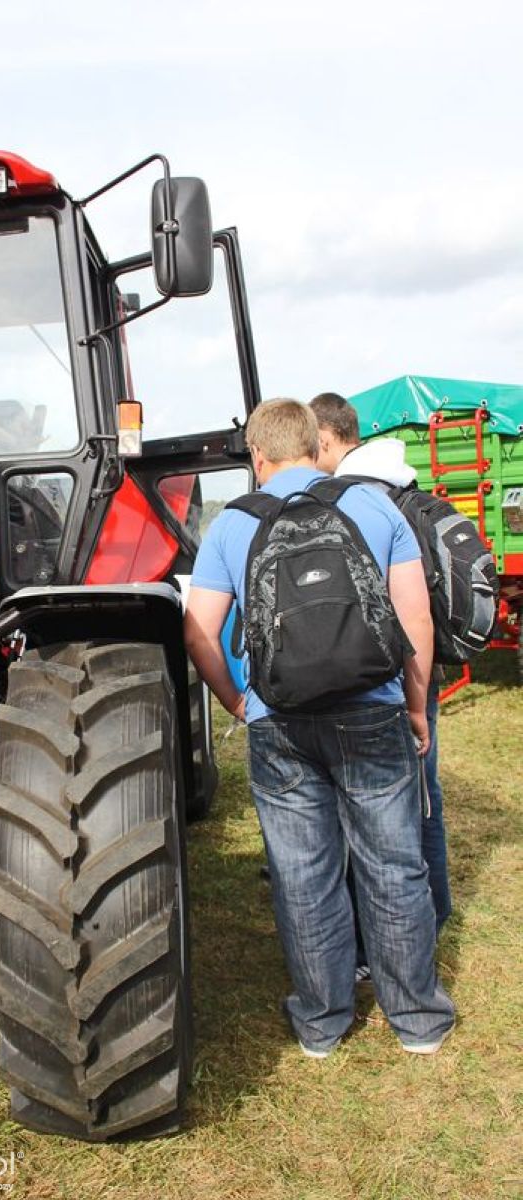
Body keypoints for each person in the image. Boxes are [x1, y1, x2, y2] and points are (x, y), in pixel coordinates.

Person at [184, 398, 455, 1057]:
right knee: (394, 862)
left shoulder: (233, 524)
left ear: (258, 456)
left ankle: (322, 1022)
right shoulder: (374, 506)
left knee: (303, 871)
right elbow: (414, 622)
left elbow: (198, 630)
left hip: (281, 720)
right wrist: (416, 707)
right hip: (374, 707)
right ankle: (416, 1019)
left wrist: (236, 701)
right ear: (315, 444)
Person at [309, 391, 452, 934]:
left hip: (387, 669)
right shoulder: (405, 483)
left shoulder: (355, 497)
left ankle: (400, 929)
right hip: (425, 665)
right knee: (423, 794)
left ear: (324, 440)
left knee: (383, 811)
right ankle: (435, 909)